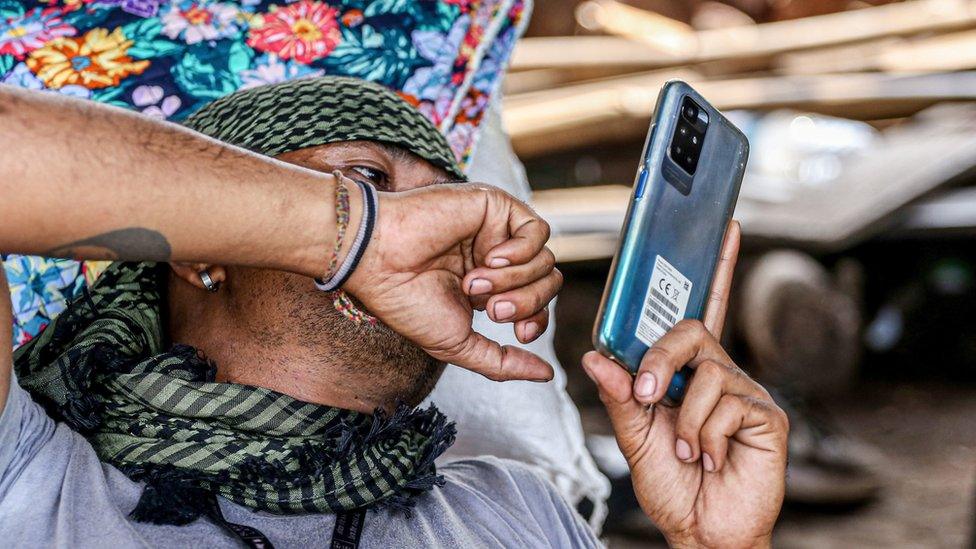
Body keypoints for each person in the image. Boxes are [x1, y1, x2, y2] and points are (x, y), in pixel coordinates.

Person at [0, 77, 788, 547]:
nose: (429, 240)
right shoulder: (34, 481)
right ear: (202, 252)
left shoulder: (511, 509)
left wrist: (714, 542)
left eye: (446, 214)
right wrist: (353, 231)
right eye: (366, 176)